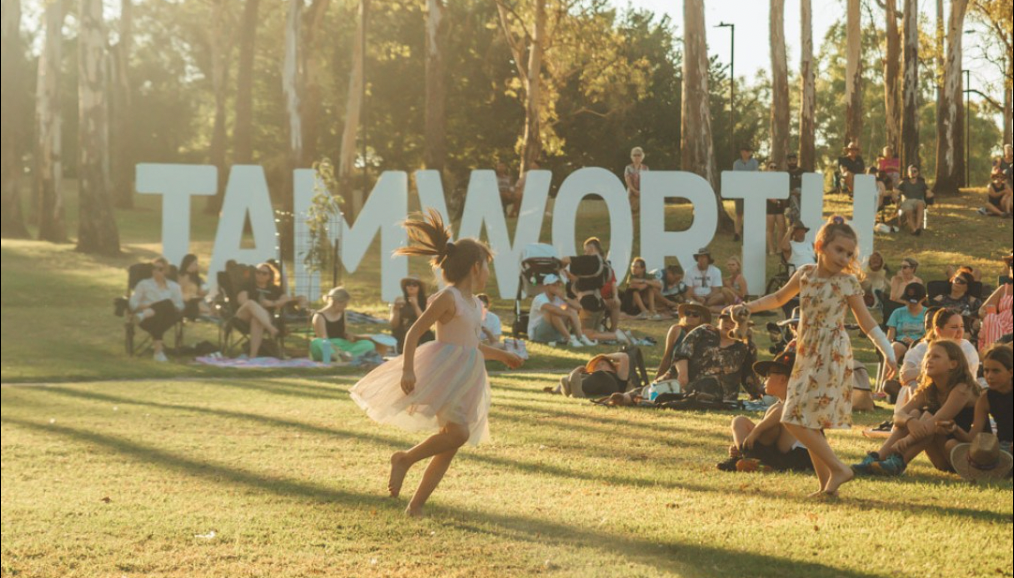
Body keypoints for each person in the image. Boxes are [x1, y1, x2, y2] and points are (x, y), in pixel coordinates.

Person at [351, 210, 524, 518]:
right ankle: (404, 459)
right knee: (457, 434)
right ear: (475, 267)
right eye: (487, 265)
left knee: (451, 444)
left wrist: (503, 355)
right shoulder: (449, 297)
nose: (489, 271)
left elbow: (473, 344)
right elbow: (415, 331)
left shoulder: (475, 303)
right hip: (445, 372)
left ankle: (415, 506)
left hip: (467, 375)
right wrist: (407, 368)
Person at [732, 217, 899, 497]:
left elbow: (867, 321)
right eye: (839, 250)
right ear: (820, 245)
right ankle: (827, 487)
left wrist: (888, 350)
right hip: (806, 352)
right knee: (807, 421)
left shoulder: (847, 283)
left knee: (791, 418)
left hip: (831, 354)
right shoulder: (805, 274)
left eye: (849, 254)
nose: (844, 257)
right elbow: (777, 298)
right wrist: (747, 306)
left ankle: (838, 469)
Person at [855, 341, 982, 477]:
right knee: (914, 413)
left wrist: (907, 440)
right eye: (927, 356)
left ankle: (898, 461)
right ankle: (877, 458)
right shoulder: (929, 388)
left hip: (964, 455)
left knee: (928, 417)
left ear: (953, 364)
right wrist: (909, 420)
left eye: (936, 357)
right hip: (941, 454)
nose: (929, 360)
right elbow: (899, 415)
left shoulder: (962, 388)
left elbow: (937, 421)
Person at [718, 349, 814, 473]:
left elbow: (781, 411)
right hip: (777, 454)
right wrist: (741, 445)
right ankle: (745, 456)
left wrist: (754, 433)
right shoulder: (777, 405)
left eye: (768, 375)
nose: (764, 380)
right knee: (739, 421)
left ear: (782, 379)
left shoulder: (796, 402)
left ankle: (746, 457)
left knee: (775, 413)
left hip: (798, 456)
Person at [896, 309, 981, 413]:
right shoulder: (923, 347)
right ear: (938, 330)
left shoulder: (966, 348)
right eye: (954, 327)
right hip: (927, 394)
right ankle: (913, 415)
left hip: (956, 395)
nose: (960, 331)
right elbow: (904, 375)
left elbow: (961, 376)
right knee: (912, 389)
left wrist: (920, 372)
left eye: (962, 326)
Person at [667, 311, 761, 402]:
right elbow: (682, 353)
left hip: (724, 397)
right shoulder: (703, 331)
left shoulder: (746, 346)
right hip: (688, 388)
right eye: (725, 321)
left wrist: (759, 395)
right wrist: (683, 374)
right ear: (718, 321)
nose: (728, 324)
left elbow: (749, 375)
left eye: (733, 322)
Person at [946, 344, 1012, 459]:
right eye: (986, 371)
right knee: (951, 445)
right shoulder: (985, 399)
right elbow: (972, 437)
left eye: (996, 371)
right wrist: (955, 428)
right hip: (1003, 448)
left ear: (1010, 372)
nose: (989, 376)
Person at [129, 257, 185, 363]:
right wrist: (144, 307)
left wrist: (168, 307)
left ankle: (145, 314)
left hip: (166, 317)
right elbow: (132, 302)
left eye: (160, 269)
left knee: (167, 303)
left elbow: (180, 305)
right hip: (149, 320)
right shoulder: (143, 284)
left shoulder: (174, 287)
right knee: (162, 311)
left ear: (166, 271)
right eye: (154, 268)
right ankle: (158, 352)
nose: (156, 271)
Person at [527, 274, 597, 348]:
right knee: (553, 312)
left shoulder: (558, 298)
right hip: (538, 334)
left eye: (558, 284)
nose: (557, 287)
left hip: (554, 331)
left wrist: (565, 298)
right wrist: (569, 314)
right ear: (546, 286)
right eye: (554, 285)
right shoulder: (539, 298)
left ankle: (580, 337)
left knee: (571, 309)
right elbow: (552, 309)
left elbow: (579, 307)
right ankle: (570, 339)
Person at [234, 262, 287, 359]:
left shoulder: (275, 289)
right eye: (258, 272)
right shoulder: (248, 285)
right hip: (243, 315)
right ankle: (271, 329)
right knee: (250, 303)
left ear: (270, 276)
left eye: (264, 273)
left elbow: (285, 300)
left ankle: (252, 356)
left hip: (263, 317)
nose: (260, 275)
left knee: (256, 319)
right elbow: (242, 301)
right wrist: (257, 308)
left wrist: (271, 303)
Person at [311, 288, 378, 362]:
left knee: (368, 344)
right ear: (336, 302)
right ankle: (337, 357)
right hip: (328, 345)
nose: (346, 306)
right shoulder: (319, 316)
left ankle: (341, 357)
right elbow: (323, 338)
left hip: (342, 344)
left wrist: (350, 336)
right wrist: (339, 351)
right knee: (317, 342)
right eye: (344, 304)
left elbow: (344, 332)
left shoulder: (343, 313)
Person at [655, 303, 711, 380]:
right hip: (673, 375)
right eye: (687, 313)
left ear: (702, 318)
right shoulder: (676, 329)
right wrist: (657, 379)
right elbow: (667, 356)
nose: (690, 316)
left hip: (696, 377)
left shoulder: (707, 335)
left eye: (695, 314)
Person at [556, 352, 633, 399]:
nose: (599, 366)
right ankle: (575, 391)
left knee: (600, 374)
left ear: (612, 368)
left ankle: (576, 390)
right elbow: (567, 382)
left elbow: (624, 356)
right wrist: (576, 371)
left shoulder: (619, 377)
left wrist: (604, 356)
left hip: (612, 388)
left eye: (602, 364)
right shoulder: (590, 376)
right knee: (578, 377)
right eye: (596, 366)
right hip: (591, 387)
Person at [391, 276, 436, 353]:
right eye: (408, 284)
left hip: (421, 331)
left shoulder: (426, 301)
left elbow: (425, 322)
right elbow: (394, 324)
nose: (411, 286)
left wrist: (416, 306)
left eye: (414, 285)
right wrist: (396, 310)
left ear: (419, 288)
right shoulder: (400, 300)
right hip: (403, 331)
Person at [979, 252, 1013, 350]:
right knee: (991, 319)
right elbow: (983, 310)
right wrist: (995, 319)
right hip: (997, 324)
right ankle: (993, 354)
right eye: (1012, 264)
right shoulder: (1004, 289)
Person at [932, 271, 983, 338]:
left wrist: (971, 332)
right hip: (943, 333)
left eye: (962, 282)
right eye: (956, 279)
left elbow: (979, 320)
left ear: (967, 287)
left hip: (967, 334)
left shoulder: (973, 301)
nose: (957, 283)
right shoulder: (940, 299)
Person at [887, 283, 928, 362]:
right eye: (908, 300)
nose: (910, 304)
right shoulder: (897, 313)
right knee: (894, 348)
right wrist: (887, 345)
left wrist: (915, 342)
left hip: (921, 343)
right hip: (901, 342)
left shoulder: (927, 313)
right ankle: (887, 373)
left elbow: (931, 334)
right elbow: (890, 334)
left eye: (914, 302)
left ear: (923, 299)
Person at [732, 144, 760, 242]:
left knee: (749, 213)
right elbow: (736, 177)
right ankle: (737, 233)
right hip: (739, 191)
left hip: (751, 191)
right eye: (744, 150)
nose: (746, 153)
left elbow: (755, 175)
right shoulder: (736, 163)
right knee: (739, 213)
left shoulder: (754, 162)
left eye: (748, 151)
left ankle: (748, 233)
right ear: (741, 152)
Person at [897, 165, 933, 236]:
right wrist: (894, 195)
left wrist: (929, 194)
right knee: (909, 211)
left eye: (915, 171)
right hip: (907, 201)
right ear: (908, 173)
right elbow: (896, 192)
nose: (913, 173)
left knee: (920, 204)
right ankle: (914, 230)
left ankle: (917, 227)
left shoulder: (922, 183)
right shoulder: (904, 183)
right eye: (911, 171)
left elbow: (928, 192)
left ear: (918, 173)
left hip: (918, 200)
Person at [178, 254, 210, 321]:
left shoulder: (196, 278)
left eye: (196, 264)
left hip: (195, 300)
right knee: (203, 308)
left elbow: (199, 292)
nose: (196, 266)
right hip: (184, 300)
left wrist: (204, 292)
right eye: (194, 264)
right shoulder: (180, 276)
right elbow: (180, 288)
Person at [765, 163, 787, 255]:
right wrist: (770, 198)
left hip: (779, 205)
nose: (773, 169)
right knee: (770, 229)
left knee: (782, 227)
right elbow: (762, 190)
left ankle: (779, 248)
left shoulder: (780, 179)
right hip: (769, 205)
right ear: (767, 169)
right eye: (771, 167)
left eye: (775, 167)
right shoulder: (764, 179)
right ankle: (771, 250)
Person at [625, 147, 648, 215]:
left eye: (639, 155)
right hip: (631, 190)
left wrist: (641, 191)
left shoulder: (645, 168)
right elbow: (628, 181)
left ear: (642, 156)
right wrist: (634, 191)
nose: (637, 157)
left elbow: (647, 182)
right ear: (631, 156)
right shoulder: (628, 168)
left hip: (643, 190)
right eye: (634, 155)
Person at [785, 153, 805, 224]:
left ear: (797, 160)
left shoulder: (803, 172)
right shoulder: (785, 173)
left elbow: (809, 187)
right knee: (793, 197)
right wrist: (792, 192)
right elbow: (782, 188)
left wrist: (799, 192)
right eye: (790, 160)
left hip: (803, 199)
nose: (792, 162)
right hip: (789, 201)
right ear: (787, 162)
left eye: (794, 160)